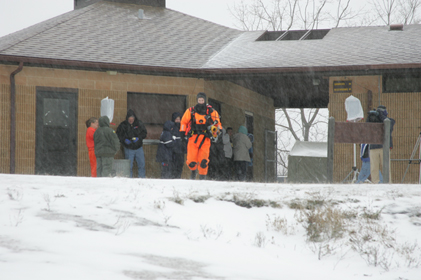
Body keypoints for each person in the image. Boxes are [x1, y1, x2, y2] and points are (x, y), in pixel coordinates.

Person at [180, 92, 222, 180]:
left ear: (205, 100)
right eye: (199, 100)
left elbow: (217, 124)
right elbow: (184, 122)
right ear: (197, 100)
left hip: (205, 138)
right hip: (193, 137)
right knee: (191, 161)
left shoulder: (212, 112)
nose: (201, 101)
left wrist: (215, 135)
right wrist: (182, 133)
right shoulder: (191, 111)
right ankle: (193, 172)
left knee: (204, 161)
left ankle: (202, 178)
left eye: (202, 100)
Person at [116, 109, 148, 178]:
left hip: (139, 147)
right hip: (128, 148)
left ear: (134, 118)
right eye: (129, 119)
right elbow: (119, 135)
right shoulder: (123, 125)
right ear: (127, 119)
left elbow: (144, 133)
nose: (131, 121)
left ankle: (142, 179)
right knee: (128, 166)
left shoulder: (139, 124)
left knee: (141, 164)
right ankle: (128, 179)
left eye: (132, 119)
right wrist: (124, 140)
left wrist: (138, 138)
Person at [369, 105, 395, 184]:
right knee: (374, 167)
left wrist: (381, 116)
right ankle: (375, 182)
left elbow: (388, 126)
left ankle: (388, 182)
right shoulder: (374, 121)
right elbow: (367, 126)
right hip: (373, 147)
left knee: (386, 167)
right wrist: (370, 116)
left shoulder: (390, 120)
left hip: (384, 147)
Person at [171, 112, 185, 179]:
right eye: (176, 119)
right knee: (173, 166)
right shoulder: (171, 127)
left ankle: (178, 178)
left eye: (179, 119)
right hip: (173, 151)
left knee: (180, 166)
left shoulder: (183, 127)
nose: (178, 121)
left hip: (180, 151)